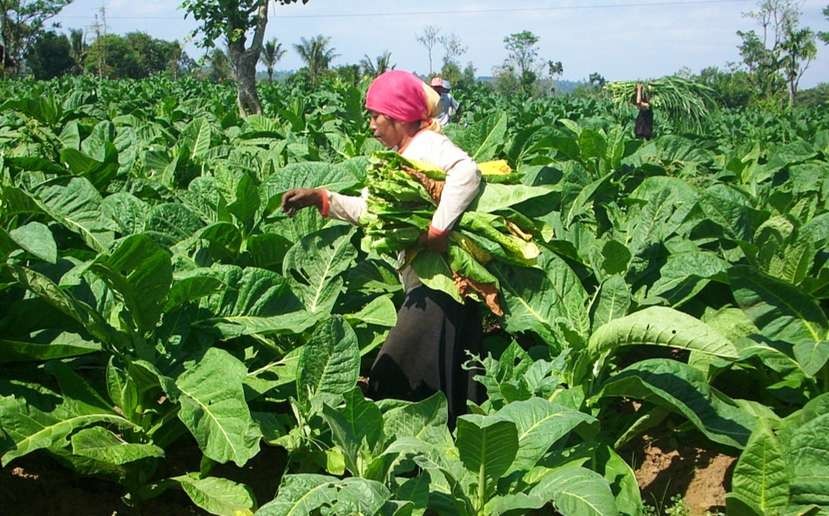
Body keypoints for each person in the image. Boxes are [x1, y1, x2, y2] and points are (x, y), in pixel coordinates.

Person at [281, 70, 483, 426]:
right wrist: (320, 198)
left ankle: (399, 446)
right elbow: (369, 211)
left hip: (441, 281)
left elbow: (467, 172)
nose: (372, 125)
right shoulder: (400, 154)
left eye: (376, 117)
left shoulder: (426, 145)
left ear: (398, 117)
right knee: (447, 369)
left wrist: (438, 229)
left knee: (397, 371)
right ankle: (444, 443)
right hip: (429, 281)